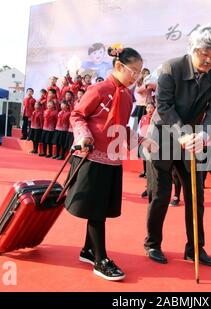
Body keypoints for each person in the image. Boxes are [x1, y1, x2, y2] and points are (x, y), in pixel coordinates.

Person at [66, 45, 153, 281]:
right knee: (96, 211)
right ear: (118, 66)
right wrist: (83, 135)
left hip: (112, 160)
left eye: (139, 72)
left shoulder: (126, 95)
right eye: (133, 71)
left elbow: (122, 127)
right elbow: (77, 115)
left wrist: (142, 141)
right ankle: (100, 260)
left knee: (101, 207)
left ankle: (88, 249)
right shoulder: (99, 89)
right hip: (91, 157)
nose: (136, 77)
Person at [144, 24, 211, 266]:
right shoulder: (172, 67)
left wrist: (206, 133)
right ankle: (153, 244)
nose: (209, 61)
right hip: (163, 135)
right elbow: (164, 106)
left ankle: (195, 249)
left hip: (195, 138)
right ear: (193, 49)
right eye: (205, 55)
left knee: (195, 195)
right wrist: (181, 133)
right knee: (160, 194)